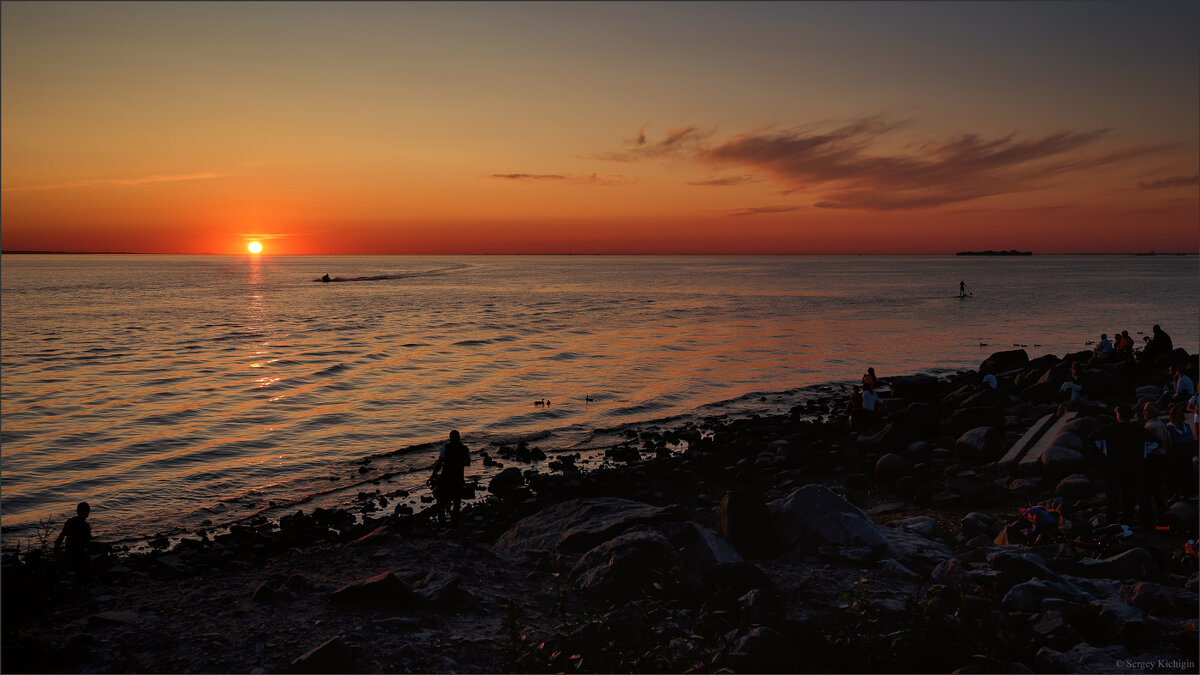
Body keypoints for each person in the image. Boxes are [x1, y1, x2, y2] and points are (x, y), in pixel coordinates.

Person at [1089, 406, 1147, 527]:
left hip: (1112, 468)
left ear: (1118, 415)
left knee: (1112, 498)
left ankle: (1112, 523)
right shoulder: (1137, 430)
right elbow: (1155, 442)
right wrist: (1142, 456)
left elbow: (1091, 439)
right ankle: (1127, 523)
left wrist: (1102, 456)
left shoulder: (1108, 429)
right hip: (1132, 467)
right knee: (1129, 497)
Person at [428, 430, 471, 526]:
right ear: (459, 437)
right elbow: (468, 463)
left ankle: (442, 524)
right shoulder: (465, 449)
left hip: (446, 478)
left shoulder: (445, 447)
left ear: (450, 438)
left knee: (440, 502)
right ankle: (455, 522)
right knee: (456, 502)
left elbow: (439, 463)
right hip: (458, 478)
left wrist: (433, 475)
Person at [1142, 404, 1169, 527]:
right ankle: (1161, 516)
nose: (1143, 413)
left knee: (1151, 490)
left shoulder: (1152, 426)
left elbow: (1153, 444)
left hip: (1153, 460)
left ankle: (1153, 519)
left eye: (1145, 411)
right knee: (1158, 489)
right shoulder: (1160, 424)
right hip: (1160, 459)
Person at [1165, 405, 1198, 499]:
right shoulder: (1168, 428)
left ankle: (1189, 493)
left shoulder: (1186, 426)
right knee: (1177, 476)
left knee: (1188, 475)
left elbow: (1191, 439)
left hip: (1187, 455)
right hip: (1177, 457)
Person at [55, 502, 92, 577]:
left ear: (77, 511)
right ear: (87, 513)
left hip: (68, 551)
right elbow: (87, 543)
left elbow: (61, 537)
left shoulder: (70, 522)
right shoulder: (86, 526)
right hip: (79, 553)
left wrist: (56, 550)